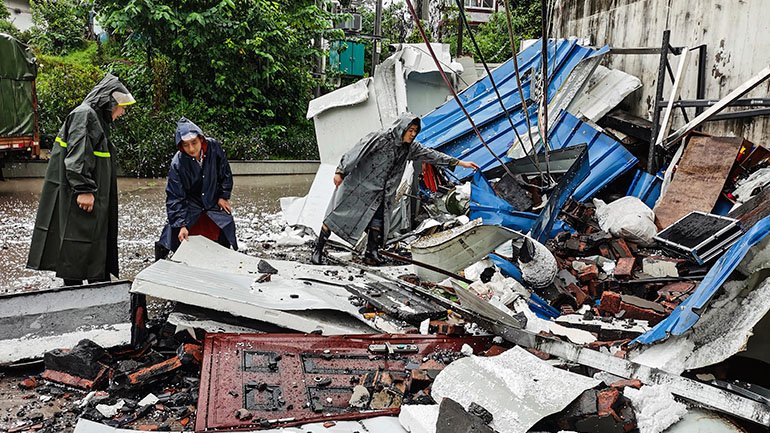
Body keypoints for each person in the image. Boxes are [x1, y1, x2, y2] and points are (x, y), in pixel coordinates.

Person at [311, 113, 480, 265]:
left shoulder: (411, 148)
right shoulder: (381, 138)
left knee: (378, 222)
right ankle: (318, 249)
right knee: (337, 216)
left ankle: (371, 254)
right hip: (359, 187)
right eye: (410, 130)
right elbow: (357, 151)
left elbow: (432, 155)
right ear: (402, 128)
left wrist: (460, 163)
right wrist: (341, 171)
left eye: (416, 131)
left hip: (380, 193)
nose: (413, 134)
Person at [27, 74, 134, 286]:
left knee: (91, 243)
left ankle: (95, 284)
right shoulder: (85, 115)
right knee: (76, 242)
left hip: (92, 198)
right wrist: (84, 189)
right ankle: (76, 291)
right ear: (109, 100)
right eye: (121, 107)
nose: (122, 112)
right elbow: (78, 156)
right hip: (80, 198)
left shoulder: (95, 118)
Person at [154, 118, 237, 260]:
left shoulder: (214, 147)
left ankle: (223, 253)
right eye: (186, 145)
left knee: (226, 223)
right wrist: (181, 224)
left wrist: (223, 196)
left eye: (194, 143)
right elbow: (175, 196)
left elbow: (225, 173)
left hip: (212, 198)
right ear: (180, 146)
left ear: (201, 139)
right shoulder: (177, 163)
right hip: (190, 203)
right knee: (171, 233)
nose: (191, 149)